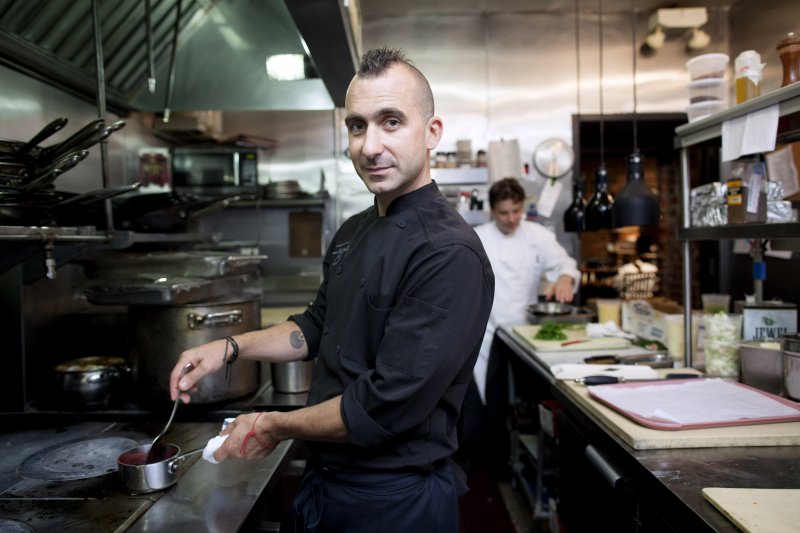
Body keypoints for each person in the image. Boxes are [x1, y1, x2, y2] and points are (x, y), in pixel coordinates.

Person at [169, 47, 494, 533]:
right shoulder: (354, 230)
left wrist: (272, 425)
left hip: (395, 501)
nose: (370, 146)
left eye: (391, 122)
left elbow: (382, 406)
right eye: (357, 126)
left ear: (432, 133)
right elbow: (316, 326)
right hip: (326, 483)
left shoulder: (447, 253)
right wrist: (228, 347)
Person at [458, 177, 579, 476]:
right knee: (485, 400)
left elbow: (565, 264)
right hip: (485, 331)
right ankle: (487, 466)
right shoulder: (477, 237)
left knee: (525, 399)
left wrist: (565, 278)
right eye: (504, 213)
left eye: (516, 211)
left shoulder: (537, 235)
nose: (511, 218)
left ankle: (520, 462)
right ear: (492, 211)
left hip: (525, 333)